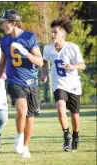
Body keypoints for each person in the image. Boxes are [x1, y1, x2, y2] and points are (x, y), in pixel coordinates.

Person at [0, 9, 43, 158]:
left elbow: (40, 61)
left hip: (32, 82)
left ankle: (25, 147)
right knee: (22, 109)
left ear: (13, 23)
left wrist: (26, 53)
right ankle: (19, 136)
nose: (2, 25)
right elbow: (2, 63)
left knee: (30, 116)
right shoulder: (4, 41)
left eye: (4, 22)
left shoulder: (29, 37)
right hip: (14, 81)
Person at [41, 18, 86, 152]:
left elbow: (83, 65)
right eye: (52, 32)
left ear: (63, 34)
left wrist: (72, 66)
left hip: (73, 85)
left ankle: (75, 137)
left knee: (74, 115)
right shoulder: (48, 49)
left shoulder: (72, 48)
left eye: (55, 32)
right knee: (60, 106)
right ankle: (67, 136)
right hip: (58, 84)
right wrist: (43, 74)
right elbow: (44, 61)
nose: (52, 35)